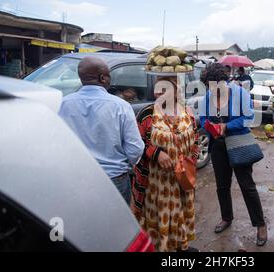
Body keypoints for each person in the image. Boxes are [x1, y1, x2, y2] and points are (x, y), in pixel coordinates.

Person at [58, 57, 144, 204]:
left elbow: (57, 145)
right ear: (102, 78)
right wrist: (123, 167)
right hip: (114, 180)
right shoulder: (121, 106)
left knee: (81, 225)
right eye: (109, 76)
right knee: (116, 226)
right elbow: (135, 149)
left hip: (75, 180)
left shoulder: (63, 104)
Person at [199, 63, 267, 246]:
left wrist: (227, 126)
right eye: (209, 87)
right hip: (218, 146)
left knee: (247, 186)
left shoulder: (240, 94)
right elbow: (203, 118)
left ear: (225, 82)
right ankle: (226, 217)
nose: (213, 90)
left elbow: (248, 118)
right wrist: (209, 125)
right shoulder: (207, 97)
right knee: (222, 186)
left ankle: (260, 224)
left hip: (239, 143)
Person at [131, 76, 199, 252]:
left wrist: (189, 163)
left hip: (181, 181)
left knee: (180, 214)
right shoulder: (147, 114)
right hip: (156, 184)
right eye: (157, 89)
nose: (157, 93)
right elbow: (136, 143)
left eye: (164, 89)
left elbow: (196, 143)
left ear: (176, 91)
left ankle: (178, 245)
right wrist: (155, 153)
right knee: (157, 218)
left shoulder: (187, 113)